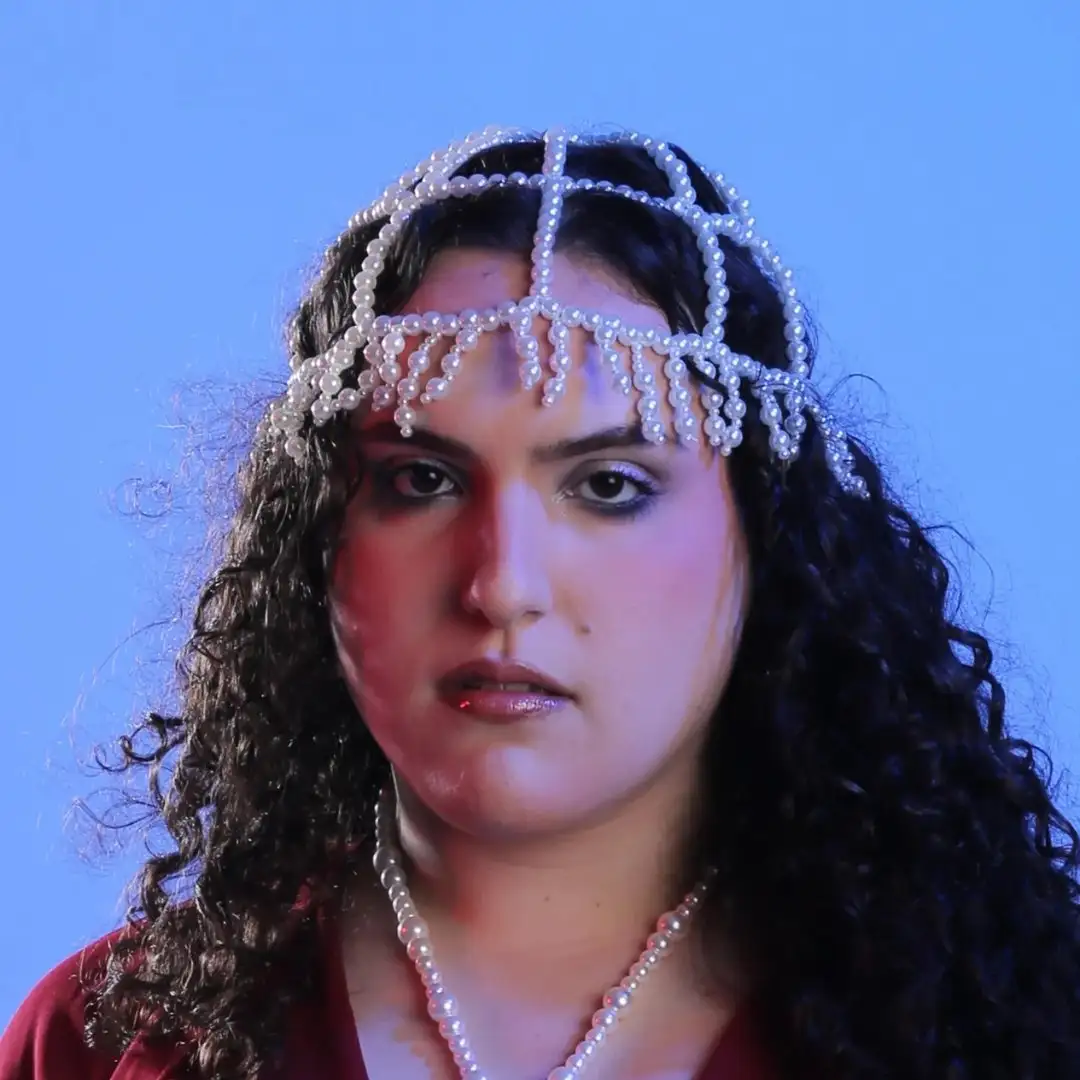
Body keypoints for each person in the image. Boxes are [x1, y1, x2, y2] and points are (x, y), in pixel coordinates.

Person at [2, 126, 1078, 1080]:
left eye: (608, 486)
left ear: (769, 542)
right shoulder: (107, 1047)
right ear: (316, 546)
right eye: (421, 480)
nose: (502, 584)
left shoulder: (1008, 1028)